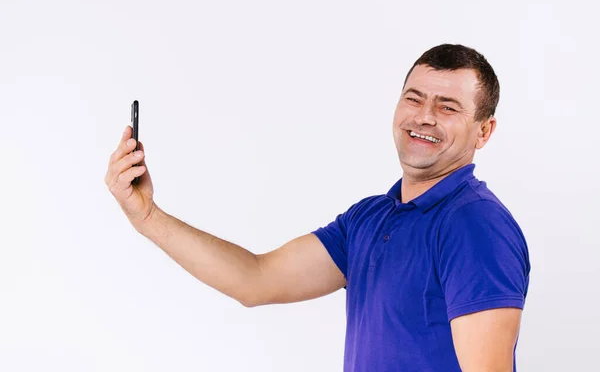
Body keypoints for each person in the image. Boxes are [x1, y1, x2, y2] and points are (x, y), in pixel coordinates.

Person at [104, 43, 531, 372]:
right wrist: (147, 217)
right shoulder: (370, 218)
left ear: (484, 131)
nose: (424, 117)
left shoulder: (476, 226)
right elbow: (256, 279)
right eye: (414, 98)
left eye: (448, 107)